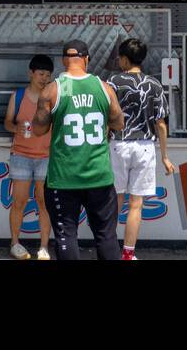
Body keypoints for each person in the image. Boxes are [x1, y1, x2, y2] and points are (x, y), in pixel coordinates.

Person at [32, 38, 125, 260]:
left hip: (63, 177)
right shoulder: (104, 88)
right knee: (106, 237)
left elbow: (38, 129)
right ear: (87, 59)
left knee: (66, 236)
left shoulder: (52, 90)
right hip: (99, 176)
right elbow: (119, 123)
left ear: (64, 60)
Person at [107, 37, 174, 260]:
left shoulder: (114, 82)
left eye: (120, 58)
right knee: (136, 204)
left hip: (118, 145)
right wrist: (164, 156)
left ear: (124, 59)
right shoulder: (154, 85)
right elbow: (161, 124)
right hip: (145, 147)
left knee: (114, 201)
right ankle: (128, 254)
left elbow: (106, 117)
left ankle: (109, 250)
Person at [4, 54, 54, 260]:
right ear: (31, 73)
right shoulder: (18, 97)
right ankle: (15, 242)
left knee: (44, 202)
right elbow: (7, 122)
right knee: (19, 201)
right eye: (41, 74)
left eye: (48, 75)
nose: (44, 78)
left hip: (47, 156)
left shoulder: (53, 97)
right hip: (21, 155)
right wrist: (18, 127)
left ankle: (44, 247)